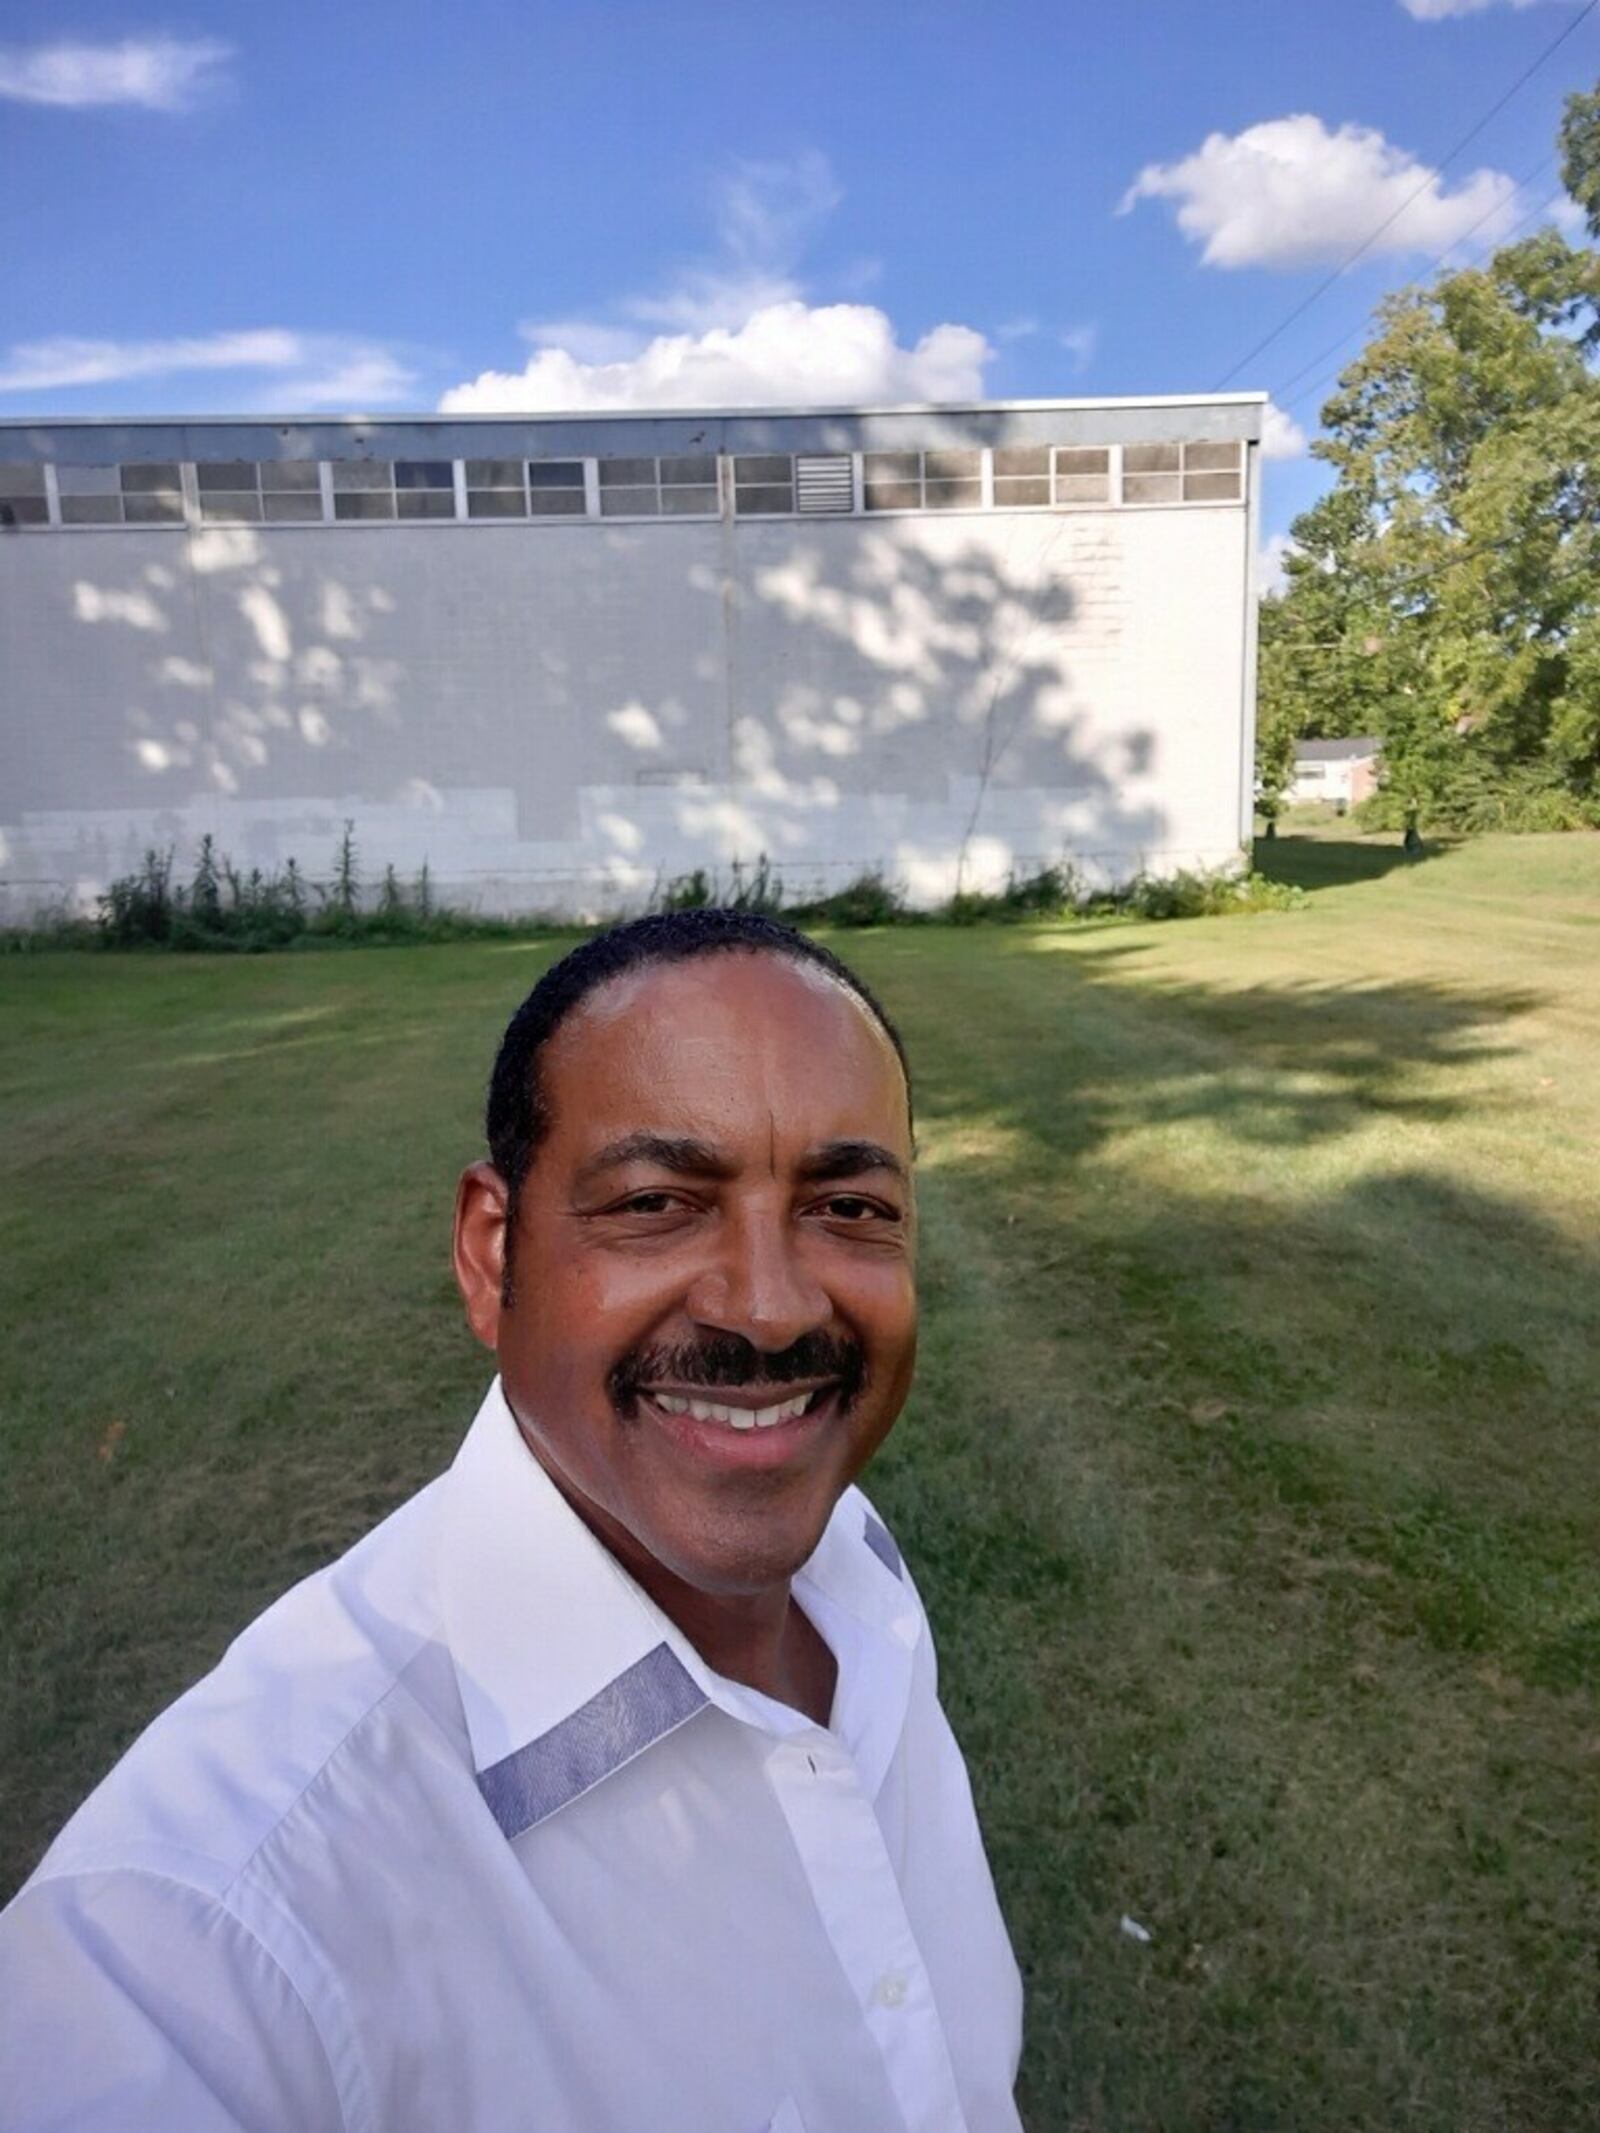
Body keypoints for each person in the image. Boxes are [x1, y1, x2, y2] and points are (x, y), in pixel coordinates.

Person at [0, 909, 1024, 2131]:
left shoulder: (858, 1573)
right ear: (493, 1255)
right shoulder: (208, 1929)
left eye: (849, 1206)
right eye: (656, 1202)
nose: (768, 1305)